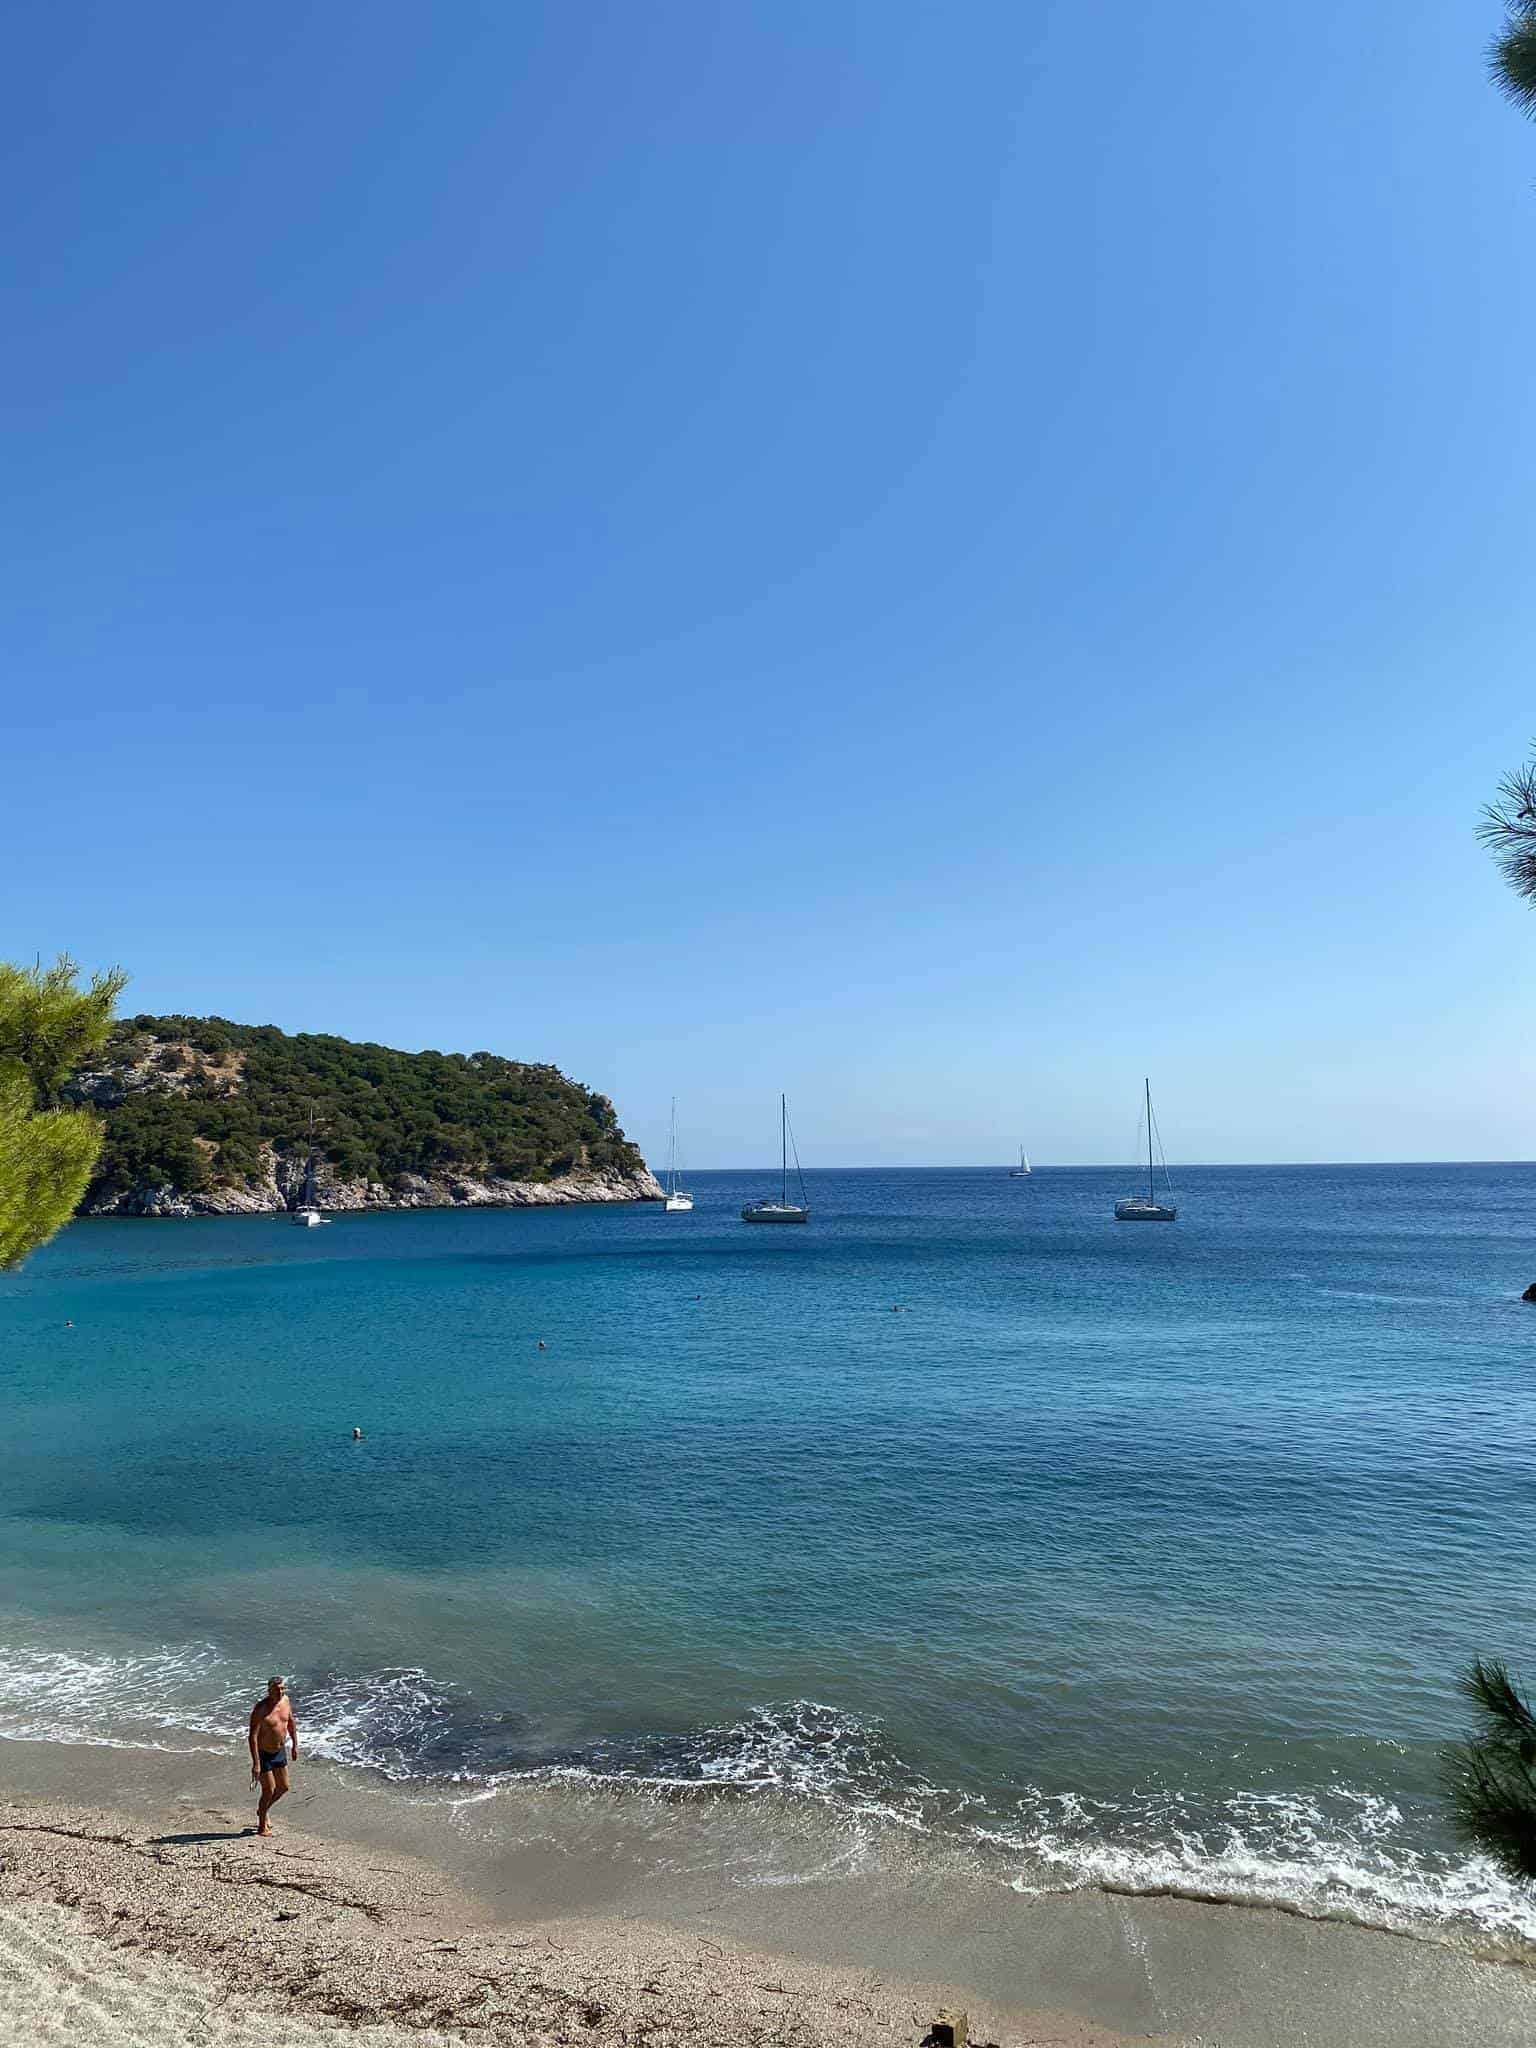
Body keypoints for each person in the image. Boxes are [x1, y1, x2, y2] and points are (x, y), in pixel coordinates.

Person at [247, 1676, 299, 1836]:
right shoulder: (260, 1709)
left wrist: (295, 1745)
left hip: (279, 1750)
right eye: (276, 1690)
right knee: (268, 1790)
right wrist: (256, 1764)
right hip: (263, 1754)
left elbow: (290, 1722)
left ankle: (263, 1810)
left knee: (283, 1787)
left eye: (282, 1689)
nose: (280, 1692)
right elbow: (252, 1737)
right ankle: (262, 1826)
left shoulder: (285, 1701)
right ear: (269, 1690)